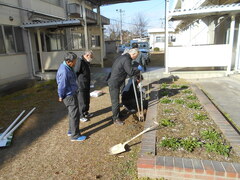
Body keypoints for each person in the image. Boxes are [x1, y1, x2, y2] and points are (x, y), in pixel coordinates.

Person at [107, 48, 143, 125]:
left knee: (117, 100)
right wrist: (138, 69)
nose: (136, 58)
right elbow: (130, 72)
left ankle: (118, 114)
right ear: (133, 54)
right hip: (114, 82)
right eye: (136, 56)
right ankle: (115, 119)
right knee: (115, 102)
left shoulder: (123, 57)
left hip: (116, 81)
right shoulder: (126, 59)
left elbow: (127, 69)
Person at [56, 52, 86, 142]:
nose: (75, 63)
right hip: (69, 96)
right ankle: (75, 136)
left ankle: (71, 131)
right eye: (74, 61)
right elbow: (61, 85)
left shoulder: (67, 67)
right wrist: (60, 95)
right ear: (69, 62)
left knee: (71, 114)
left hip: (71, 93)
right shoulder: (64, 71)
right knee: (75, 115)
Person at [74, 50, 94, 122]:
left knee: (87, 99)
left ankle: (86, 112)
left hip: (86, 84)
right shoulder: (80, 61)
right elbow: (75, 72)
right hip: (81, 84)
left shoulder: (86, 61)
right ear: (87, 55)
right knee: (82, 100)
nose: (92, 58)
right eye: (91, 57)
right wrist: (78, 82)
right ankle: (81, 115)